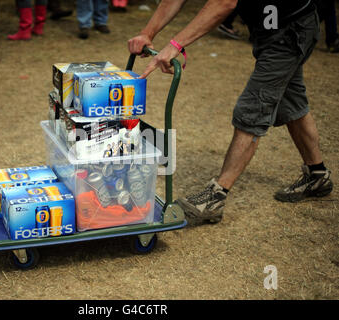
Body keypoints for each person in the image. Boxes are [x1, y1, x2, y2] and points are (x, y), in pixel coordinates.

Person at [128, 0, 333, 224]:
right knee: (290, 101)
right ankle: (317, 175)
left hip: (290, 29)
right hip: (273, 32)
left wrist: (175, 45)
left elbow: (224, 3)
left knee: (252, 109)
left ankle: (215, 197)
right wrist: (147, 33)